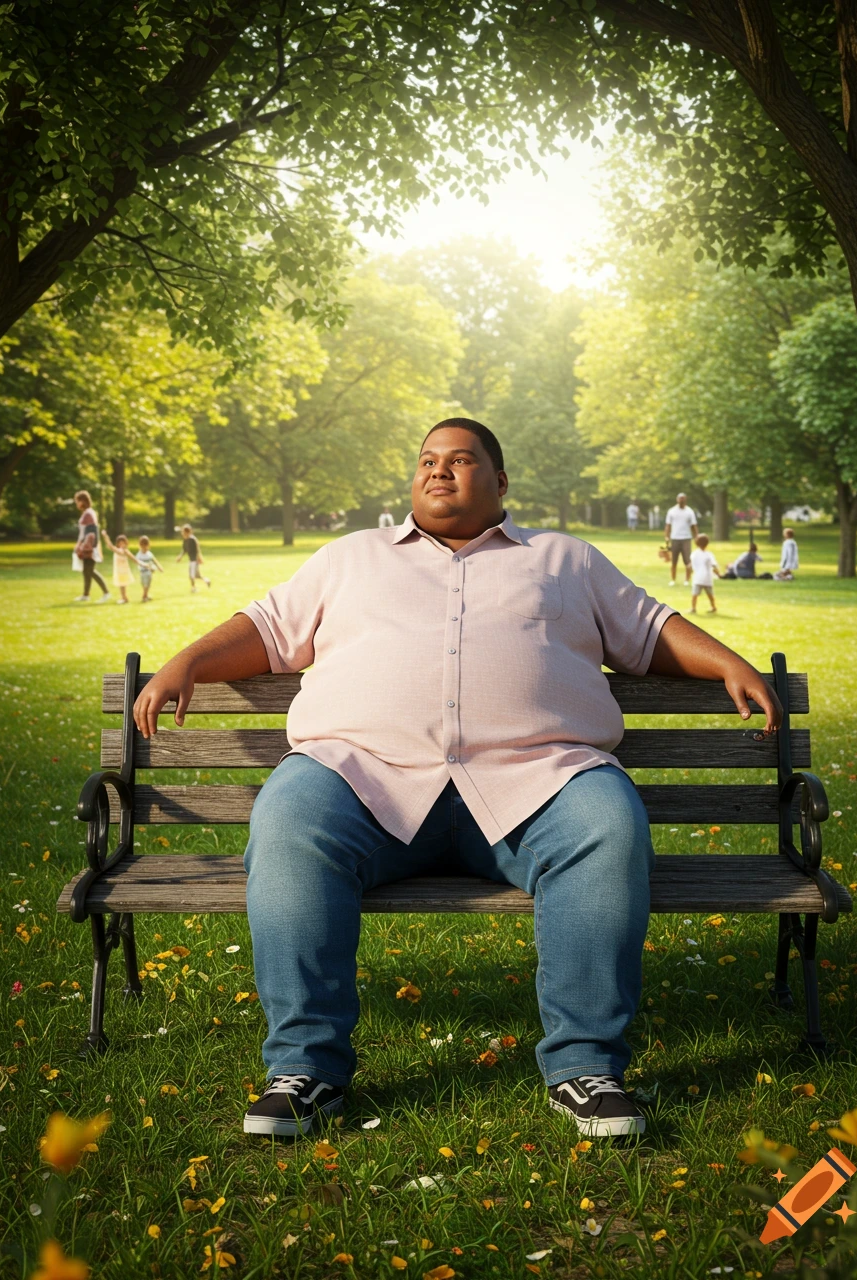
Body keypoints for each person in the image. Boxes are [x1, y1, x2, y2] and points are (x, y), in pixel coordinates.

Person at [134, 418, 781, 1142]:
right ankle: (305, 1069)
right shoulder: (350, 559)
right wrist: (187, 661)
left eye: (461, 460)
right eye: (427, 461)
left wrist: (728, 662)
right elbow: (264, 627)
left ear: (500, 483)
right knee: (289, 817)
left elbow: (650, 627)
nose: (438, 472)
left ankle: (586, 1068)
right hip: (361, 783)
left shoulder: (566, 559)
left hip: (539, 782)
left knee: (606, 821)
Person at [72, 491, 110, 603]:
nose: (77, 504)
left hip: (89, 547)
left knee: (90, 571)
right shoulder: (88, 513)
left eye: (77, 501)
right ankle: (86, 595)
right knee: (86, 571)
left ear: (83, 501)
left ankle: (106, 593)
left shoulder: (88, 514)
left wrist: (82, 545)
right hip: (88, 546)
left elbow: (88, 533)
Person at [663, 494, 699, 587]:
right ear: (677, 499)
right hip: (675, 538)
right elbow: (668, 525)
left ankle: (687, 580)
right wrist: (666, 536)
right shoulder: (672, 511)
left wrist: (696, 536)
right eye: (680, 498)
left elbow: (693, 526)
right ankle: (673, 579)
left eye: (683, 499)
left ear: (685, 500)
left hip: (686, 538)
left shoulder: (689, 511)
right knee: (674, 561)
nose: (681, 500)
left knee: (687, 561)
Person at [101, 530, 136, 604]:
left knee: (122, 585)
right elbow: (109, 545)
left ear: (126, 543)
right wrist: (105, 537)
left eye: (123, 543)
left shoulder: (123, 551)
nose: (122, 544)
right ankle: (124, 598)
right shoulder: (120, 550)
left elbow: (111, 546)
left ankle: (124, 598)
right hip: (120, 570)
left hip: (122, 571)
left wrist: (105, 536)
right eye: (120, 543)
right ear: (118, 544)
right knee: (121, 585)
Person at [688, 534, 719, 615]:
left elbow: (690, 566)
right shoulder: (709, 554)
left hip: (697, 577)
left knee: (694, 594)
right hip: (707, 577)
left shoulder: (694, 554)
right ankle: (713, 607)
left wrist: (688, 575)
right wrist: (719, 574)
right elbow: (714, 565)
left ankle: (693, 608)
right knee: (710, 594)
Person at [177, 524, 210, 592]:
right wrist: (180, 556)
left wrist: (199, 558)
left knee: (192, 575)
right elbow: (184, 549)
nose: (182, 534)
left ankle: (194, 588)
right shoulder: (185, 540)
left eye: (184, 532)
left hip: (195, 560)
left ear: (188, 532)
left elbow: (197, 549)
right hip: (191, 560)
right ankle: (207, 581)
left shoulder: (192, 539)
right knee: (196, 576)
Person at [135, 536, 164, 602]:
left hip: (148, 572)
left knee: (147, 584)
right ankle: (146, 595)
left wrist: (159, 567)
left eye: (146, 546)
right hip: (142, 572)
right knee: (143, 584)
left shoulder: (149, 554)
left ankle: (144, 596)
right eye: (143, 546)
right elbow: (137, 562)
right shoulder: (139, 554)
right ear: (140, 545)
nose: (145, 548)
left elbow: (154, 561)